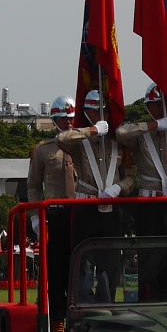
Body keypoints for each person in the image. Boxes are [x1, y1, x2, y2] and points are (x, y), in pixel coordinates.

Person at [117, 85, 167, 301]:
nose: (158, 109)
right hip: (148, 207)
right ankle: (148, 309)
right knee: (149, 263)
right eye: (153, 106)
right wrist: (153, 125)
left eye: (161, 105)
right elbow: (121, 133)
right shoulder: (141, 136)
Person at [58, 90, 125, 303]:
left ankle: (108, 300)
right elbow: (62, 138)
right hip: (86, 207)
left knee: (111, 262)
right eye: (93, 111)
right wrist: (92, 130)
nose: (98, 114)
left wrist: (119, 187)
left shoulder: (117, 142)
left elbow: (131, 175)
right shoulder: (80, 140)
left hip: (111, 207)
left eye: (102, 110)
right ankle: (82, 303)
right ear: (86, 112)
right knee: (81, 259)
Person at [28, 97, 80, 321]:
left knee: (81, 271)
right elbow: (33, 185)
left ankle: (79, 320)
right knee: (56, 273)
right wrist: (35, 218)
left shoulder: (84, 144)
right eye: (62, 119)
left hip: (80, 213)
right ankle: (57, 324)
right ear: (54, 120)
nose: (67, 123)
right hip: (55, 214)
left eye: (70, 119)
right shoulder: (43, 150)